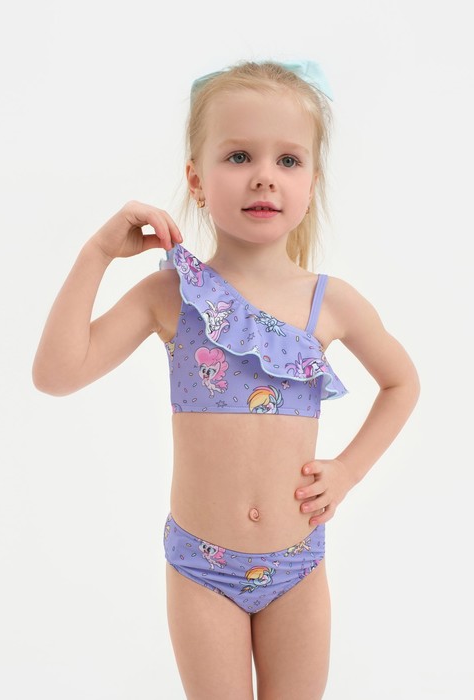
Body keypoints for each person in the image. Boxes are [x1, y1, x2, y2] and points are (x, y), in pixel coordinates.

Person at [33, 59, 420, 700]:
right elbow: (56, 375)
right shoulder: (172, 295)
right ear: (196, 179)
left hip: (298, 565)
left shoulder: (331, 302)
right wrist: (97, 253)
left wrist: (349, 471)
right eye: (239, 156)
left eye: (288, 160)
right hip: (200, 567)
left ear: (312, 181)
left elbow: (402, 383)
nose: (264, 175)